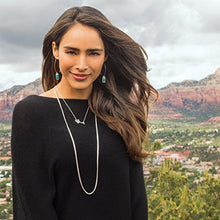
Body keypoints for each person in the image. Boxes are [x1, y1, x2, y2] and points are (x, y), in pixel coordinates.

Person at [11, 6, 158, 220]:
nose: (82, 65)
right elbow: (33, 208)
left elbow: (137, 201)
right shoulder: (31, 114)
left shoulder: (120, 112)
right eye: (72, 52)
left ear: (105, 55)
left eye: (93, 53)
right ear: (55, 50)